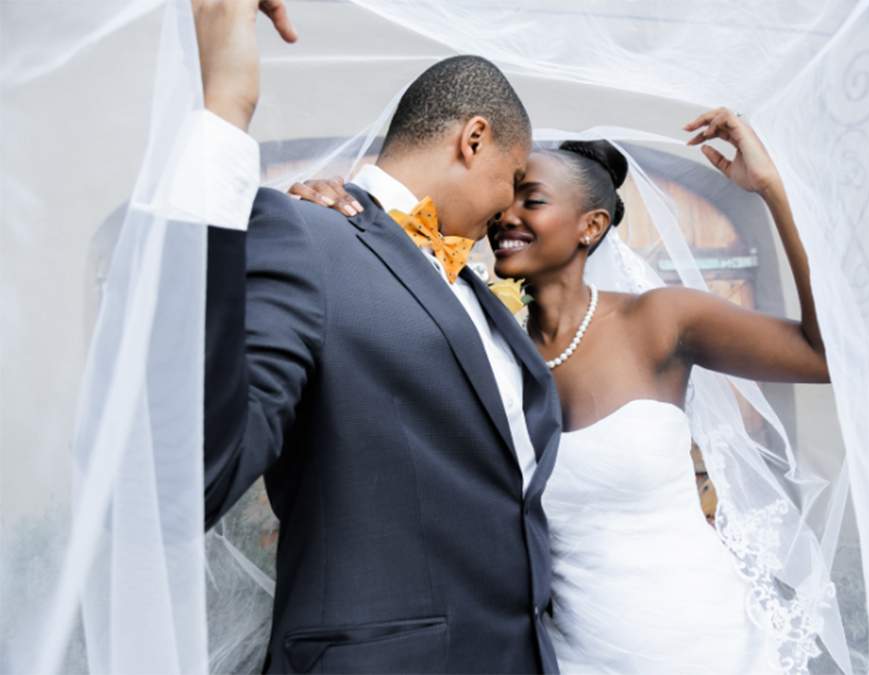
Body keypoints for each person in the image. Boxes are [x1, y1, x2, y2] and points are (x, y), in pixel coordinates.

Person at [295, 110, 832, 673]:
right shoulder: (489, 349)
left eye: (533, 200)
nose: (507, 215)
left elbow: (822, 356)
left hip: (707, 646)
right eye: (507, 196)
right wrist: (334, 217)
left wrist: (771, 188)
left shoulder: (659, 322)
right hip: (572, 658)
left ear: (591, 226)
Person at [187, 1, 562, 671]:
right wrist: (225, 111)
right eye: (513, 178)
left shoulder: (483, 296)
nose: (510, 208)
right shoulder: (305, 233)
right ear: (473, 139)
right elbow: (200, 471)